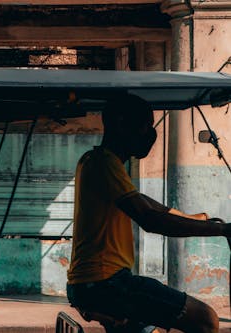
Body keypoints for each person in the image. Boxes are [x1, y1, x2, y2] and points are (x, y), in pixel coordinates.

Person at [66, 94, 230, 333]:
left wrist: (196, 219)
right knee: (205, 319)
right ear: (122, 124)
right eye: (145, 126)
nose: (149, 134)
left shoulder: (95, 161)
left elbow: (148, 204)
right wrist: (221, 230)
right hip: (106, 283)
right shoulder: (106, 163)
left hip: (89, 284)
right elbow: (150, 219)